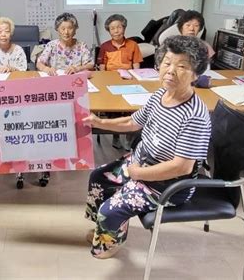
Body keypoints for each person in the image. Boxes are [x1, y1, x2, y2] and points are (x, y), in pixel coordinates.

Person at [83, 35, 211, 259]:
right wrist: (100, 122)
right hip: (140, 164)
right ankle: (106, 230)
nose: (171, 70)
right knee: (98, 177)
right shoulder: (161, 94)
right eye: (167, 62)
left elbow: (181, 167)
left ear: (196, 74)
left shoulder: (195, 116)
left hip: (167, 184)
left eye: (182, 66)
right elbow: (133, 121)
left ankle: (108, 243)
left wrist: (138, 173)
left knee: (109, 209)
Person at [96, 14, 144, 149]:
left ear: (124, 28)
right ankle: (115, 136)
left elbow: (136, 67)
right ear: (108, 31)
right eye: (112, 28)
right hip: (110, 82)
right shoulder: (104, 46)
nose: (116, 31)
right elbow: (102, 69)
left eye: (119, 27)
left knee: (132, 110)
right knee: (114, 110)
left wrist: (136, 82)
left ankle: (130, 138)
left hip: (128, 81)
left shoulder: (133, 45)